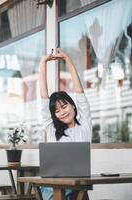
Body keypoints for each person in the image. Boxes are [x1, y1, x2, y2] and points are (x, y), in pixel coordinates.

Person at [39, 48, 92, 200]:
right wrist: (43, 62)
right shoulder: (51, 129)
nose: (62, 112)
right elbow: (43, 97)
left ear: (73, 105)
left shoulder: (84, 125)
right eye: (57, 111)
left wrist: (67, 59)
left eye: (64, 106)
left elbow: (79, 90)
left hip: (78, 187)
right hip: (55, 187)